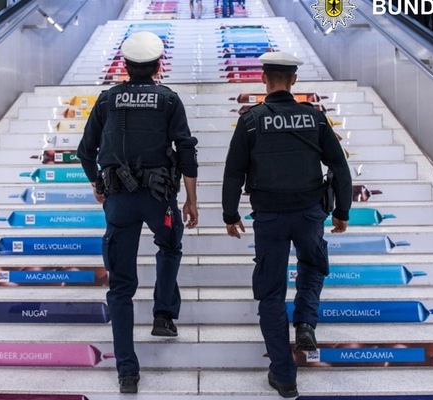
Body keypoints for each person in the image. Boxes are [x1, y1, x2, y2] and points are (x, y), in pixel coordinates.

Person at [221, 51, 352, 398]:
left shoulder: (251, 120)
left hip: (270, 218)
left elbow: (234, 170)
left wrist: (230, 214)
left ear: (264, 79)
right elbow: (339, 167)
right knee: (312, 265)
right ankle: (306, 323)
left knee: (270, 292)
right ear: (293, 80)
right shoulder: (315, 118)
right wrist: (342, 211)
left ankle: (284, 376)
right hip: (310, 212)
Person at [76, 31, 199, 394]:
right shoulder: (168, 100)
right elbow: (187, 150)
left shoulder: (106, 100)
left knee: (121, 287)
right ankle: (163, 315)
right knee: (171, 246)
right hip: (159, 199)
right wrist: (191, 199)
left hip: (119, 202)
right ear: (159, 66)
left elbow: (86, 151)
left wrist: (98, 184)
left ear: (125, 67)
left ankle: (127, 372)